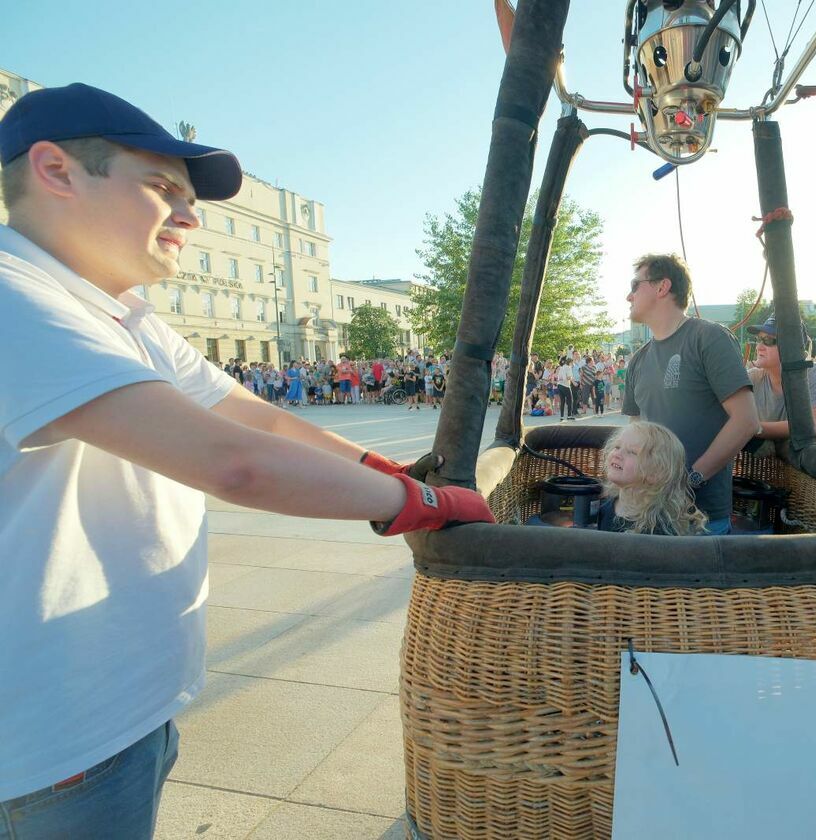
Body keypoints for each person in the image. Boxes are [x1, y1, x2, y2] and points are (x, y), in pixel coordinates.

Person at [0, 83, 494, 838]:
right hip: (58, 741)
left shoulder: (115, 310)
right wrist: (415, 507)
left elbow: (248, 412)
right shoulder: (16, 298)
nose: (191, 217)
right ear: (57, 170)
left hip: (120, 710)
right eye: (163, 189)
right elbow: (232, 461)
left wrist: (384, 467)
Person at [622, 254, 758, 535]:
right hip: (649, 515)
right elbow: (636, 434)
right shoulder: (637, 360)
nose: (628, 295)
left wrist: (690, 479)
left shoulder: (708, 338)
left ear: (662, 287)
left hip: (701, 518)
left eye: (635, 285)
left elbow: (746, 421)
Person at [597, 422, 708, 535]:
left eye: (632, 452)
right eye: (617, 447)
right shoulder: (602, 506)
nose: (617, 454)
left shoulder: (660, 528)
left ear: (656, 473)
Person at [744, 316, 816, 446]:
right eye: (758, 340)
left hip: (805, 463)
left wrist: (752, 428)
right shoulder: (752, 377)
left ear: (792, 347)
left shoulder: (813, 373)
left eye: (768, 340)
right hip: (767, 464)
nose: (759, 347)